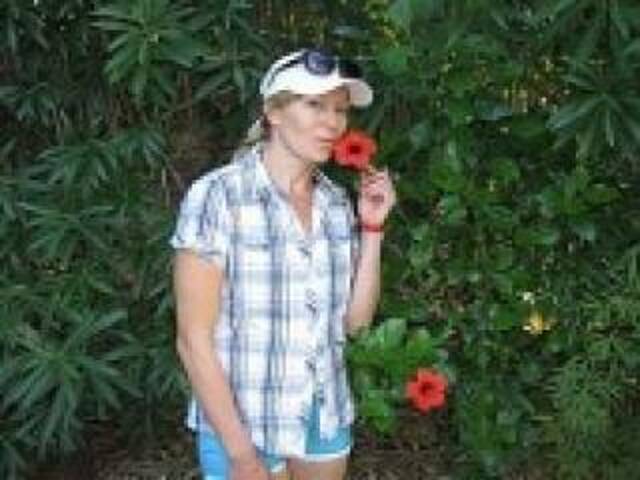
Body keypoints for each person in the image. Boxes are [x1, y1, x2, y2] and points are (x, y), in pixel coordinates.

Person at [170, 48, 396, 480]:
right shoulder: (218, 196)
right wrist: (241, 455)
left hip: (323, 414)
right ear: (273, 112)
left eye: (340, 110)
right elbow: (192, 341)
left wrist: (372, 229)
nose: (332, 122)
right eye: (314, 105)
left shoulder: (334, 204)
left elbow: (355, 326)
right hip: (244, 423)